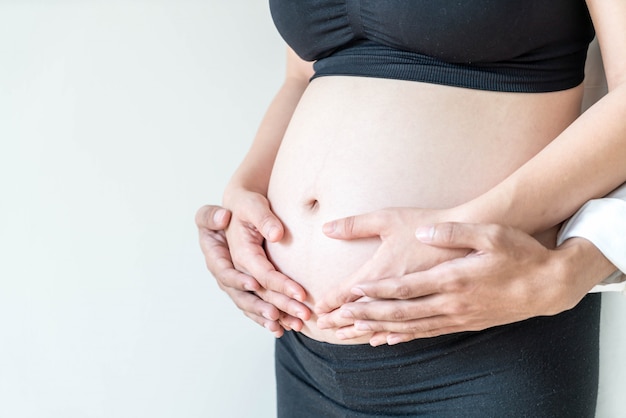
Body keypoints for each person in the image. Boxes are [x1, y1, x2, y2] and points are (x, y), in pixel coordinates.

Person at [198, 2, 626, 416]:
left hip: (483, 342)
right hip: (304, 353)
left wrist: (462, 229)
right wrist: (245, 191)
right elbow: (301, 75)